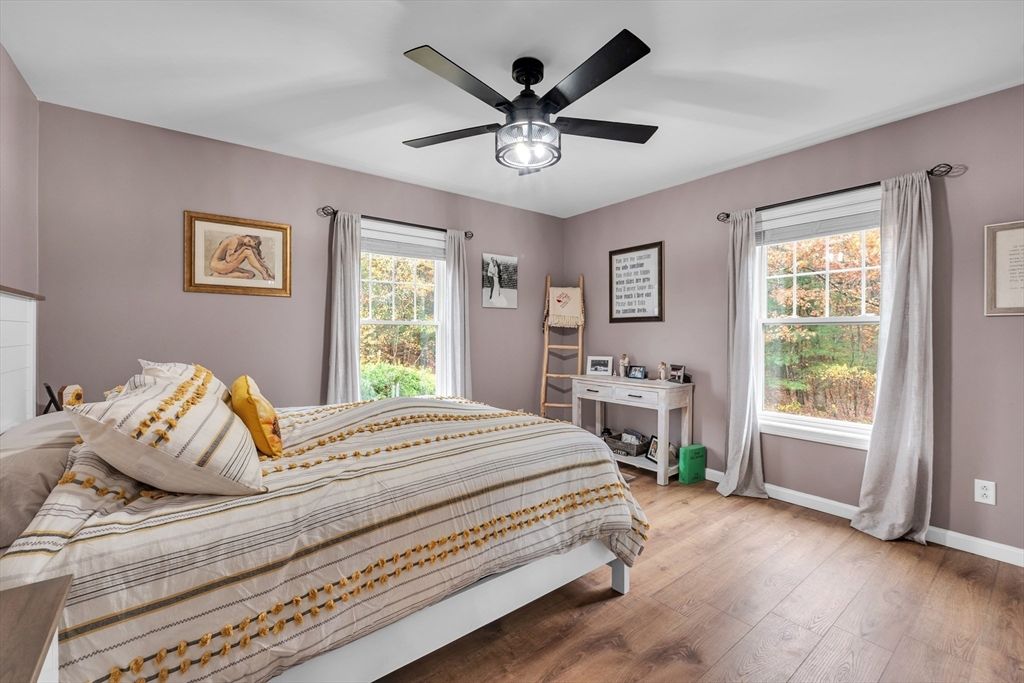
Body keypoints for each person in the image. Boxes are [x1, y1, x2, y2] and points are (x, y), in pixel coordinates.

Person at [209, 234, 274, 280]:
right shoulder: (234, 240)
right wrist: (242, 249)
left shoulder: (243, 243)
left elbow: (257, 259)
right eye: (249, 241)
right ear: (249, 236)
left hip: (223, 265)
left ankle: (218, 276)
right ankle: (264, 275)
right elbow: (229, 259)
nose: (248, 244)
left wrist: (268, 270)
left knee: (251, 274)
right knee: (247, 252)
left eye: (250, 244)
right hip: (217, 265)